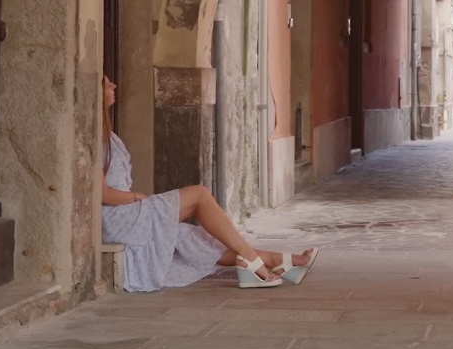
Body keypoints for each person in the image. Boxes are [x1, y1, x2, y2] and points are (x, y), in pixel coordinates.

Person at [100, 75, 318, 291]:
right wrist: (136, 197)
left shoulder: (107, 134)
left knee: (188, 236)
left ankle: (275, 260)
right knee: (199, 195)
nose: (113, 85)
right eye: (105, 83)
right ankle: (254, 261)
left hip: (126, 212)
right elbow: (102, 194)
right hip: (117, 218)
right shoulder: (91, 137)